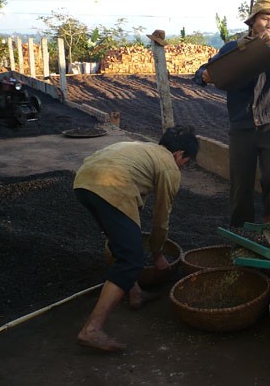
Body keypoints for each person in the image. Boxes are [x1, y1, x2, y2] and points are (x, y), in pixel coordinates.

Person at [73, 125, 199, 352]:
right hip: (109, 186)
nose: (183, 166)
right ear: (179, 155)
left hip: (83, 181)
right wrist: (158, 254)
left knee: (121, 243)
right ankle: (91, 329)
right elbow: (162, 217)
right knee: (132, 259)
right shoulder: (169, 167)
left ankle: (135, 293)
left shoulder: (144, 149)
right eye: (186, 162)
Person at [194, 0, 270, 227]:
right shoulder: (234, 49)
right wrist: (204, 75)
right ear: (253, 21)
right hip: (242, 125)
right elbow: (205, 70)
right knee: (240, 182)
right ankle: (241, 228)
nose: (269, 24)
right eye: (265, 18)